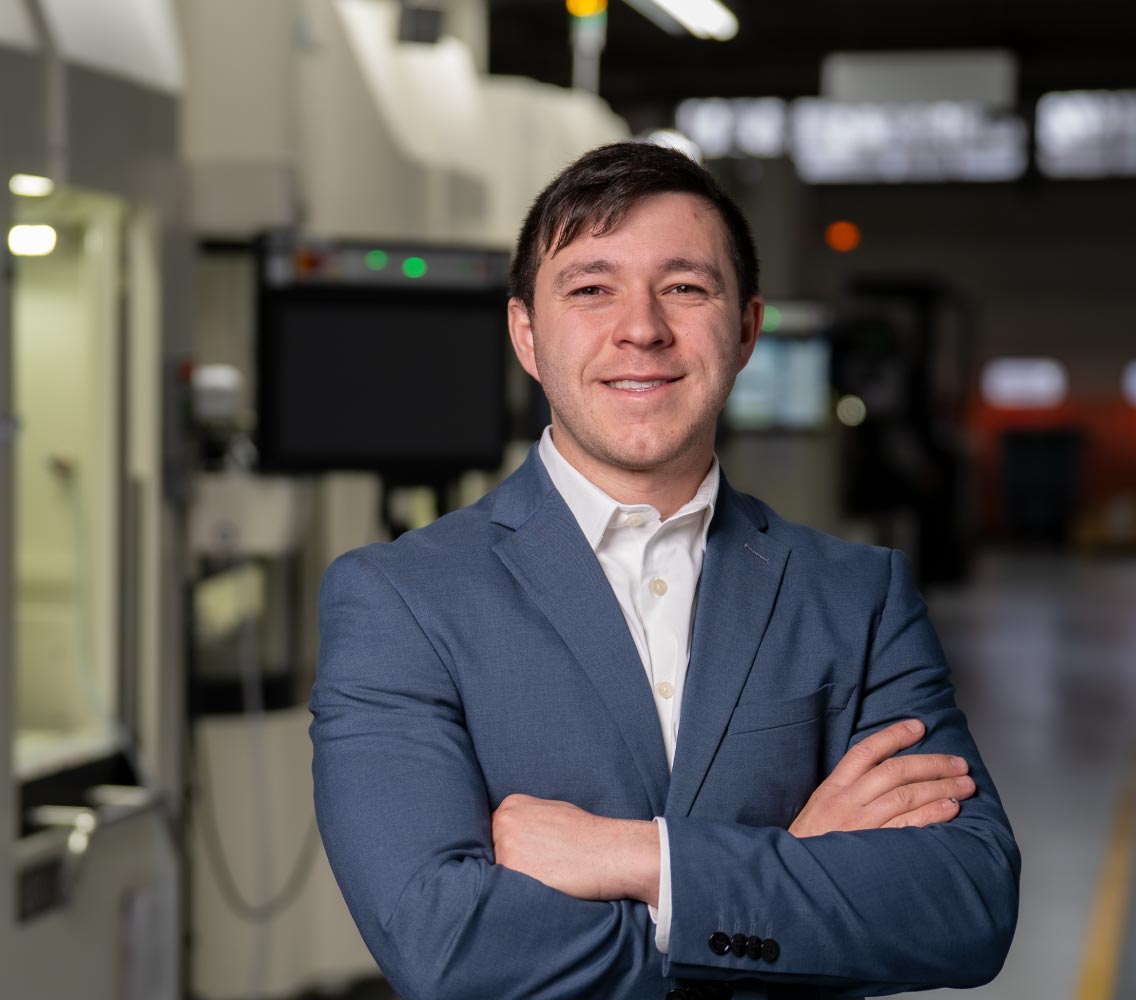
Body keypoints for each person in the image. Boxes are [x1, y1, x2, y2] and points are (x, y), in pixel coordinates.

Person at [309, 141, 1019, 1000]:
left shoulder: (855, 598)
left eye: (684, 287)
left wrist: (633, 857)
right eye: (589, 289)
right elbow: (446, 946)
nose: (640, 328)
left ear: (746, 328)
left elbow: (965, 905)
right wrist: (793, 868)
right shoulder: (401, 600)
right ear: (526, 335)